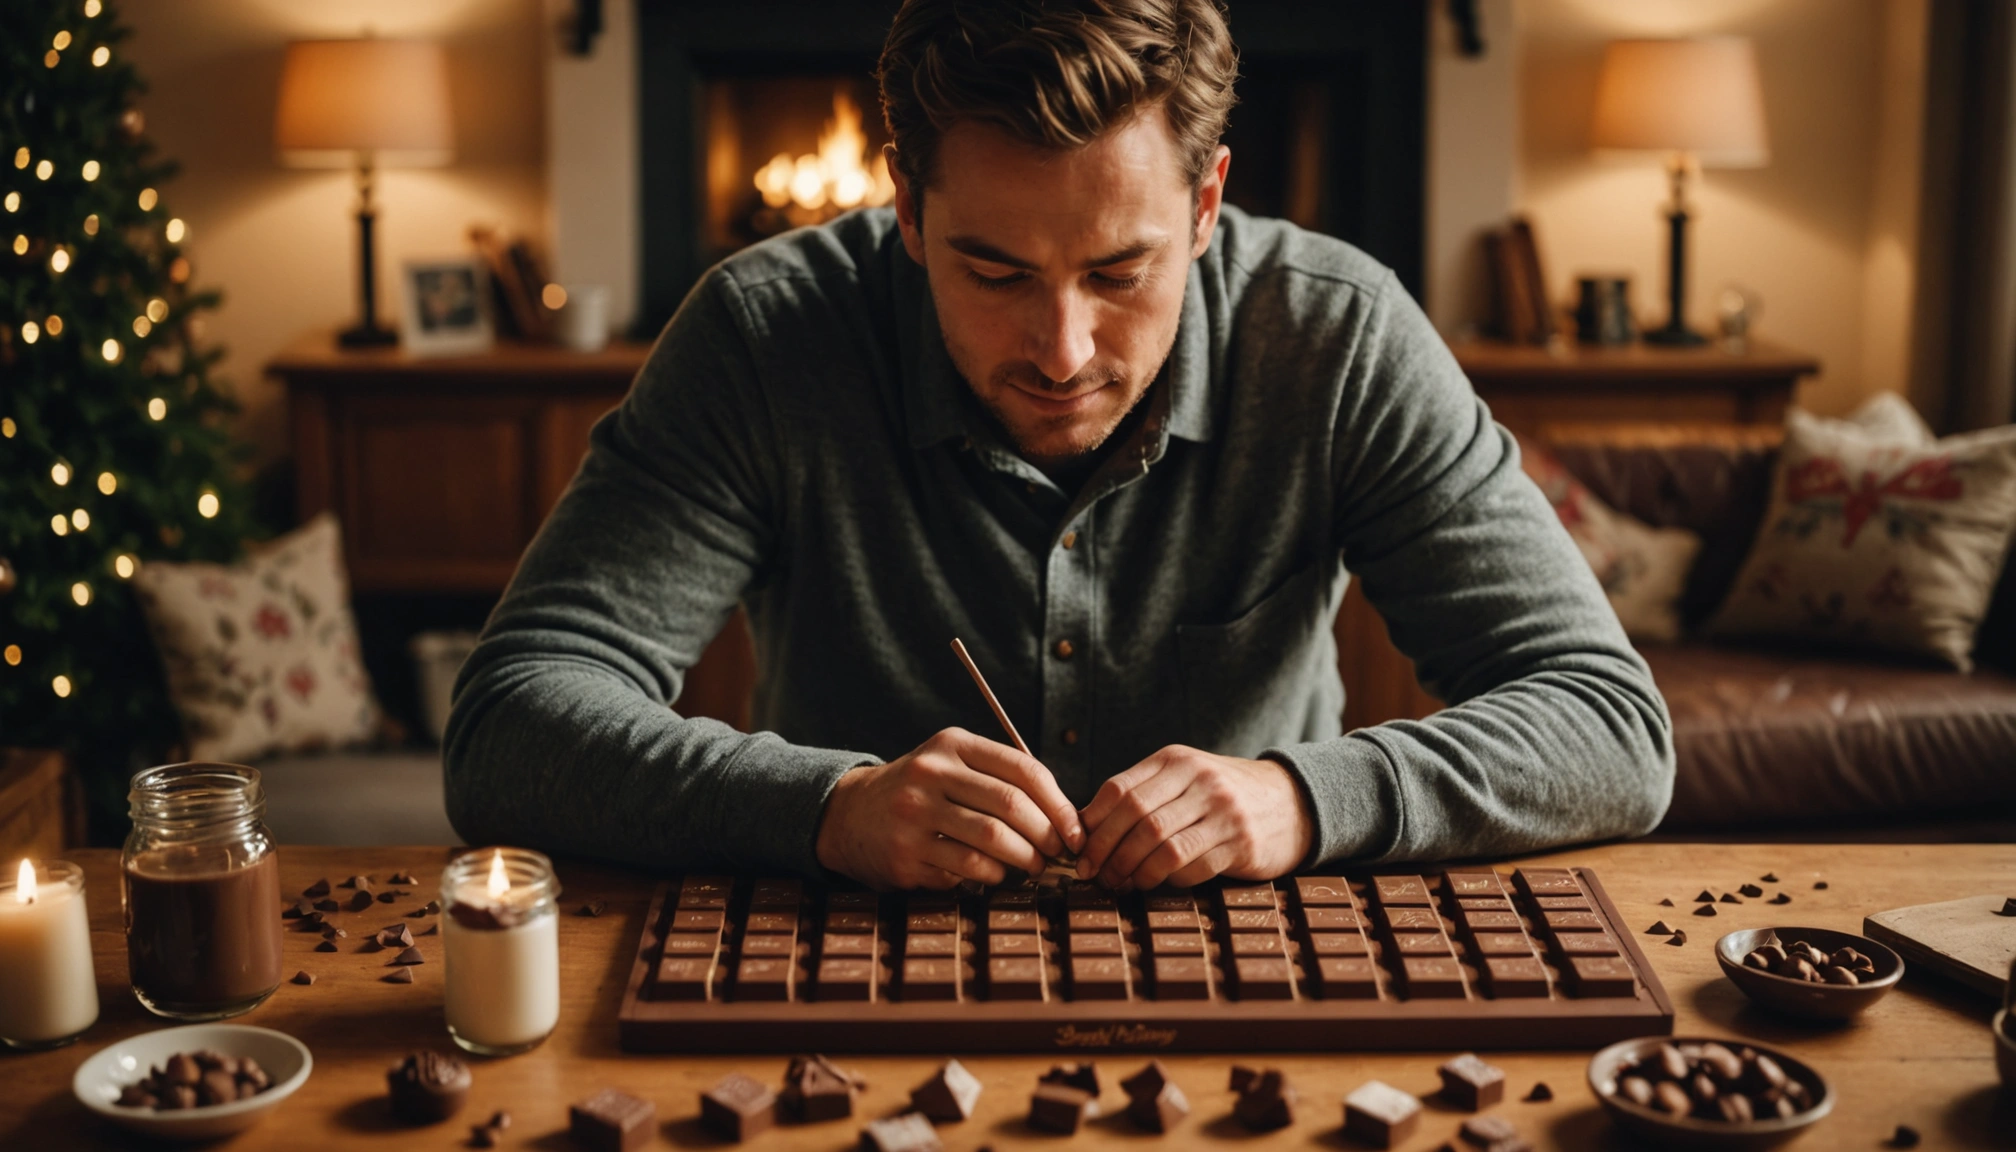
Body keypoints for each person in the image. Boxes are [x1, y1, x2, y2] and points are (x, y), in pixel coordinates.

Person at [444, 0, 1673, 891]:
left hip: (1260, 968)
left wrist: (1301, 797)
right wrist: (828, 806)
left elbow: (1610, 727)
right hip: (850, 966)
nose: (1064, 349)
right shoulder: (765, 336)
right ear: (907, 211)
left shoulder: (1338, 334)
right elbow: (512, 728)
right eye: (994, 270)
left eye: (1119, 270)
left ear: (1204, 207)